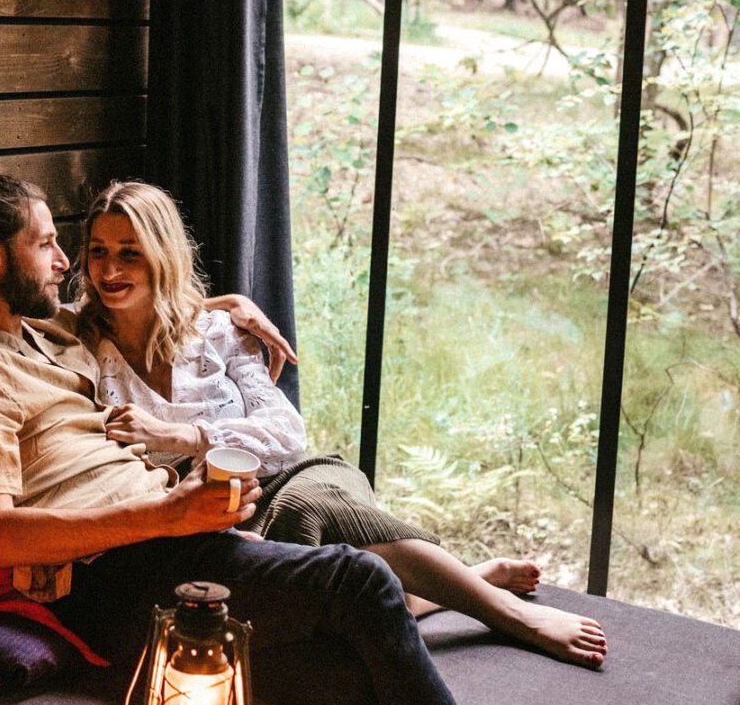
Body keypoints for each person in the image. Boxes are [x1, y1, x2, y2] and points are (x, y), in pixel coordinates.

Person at [0, 173, 655, 705]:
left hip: (173, 538)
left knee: (343, 689)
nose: (64, 263)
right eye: (49, 244)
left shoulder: (42, 335)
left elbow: (137, 305)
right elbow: (4, 534)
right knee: (359, 584)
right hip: (118, 575)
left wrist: (223, 310)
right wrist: (165, 512)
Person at [67, 179, 609, 671]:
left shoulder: (218, 332)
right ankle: (457, 584)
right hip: (208, 512)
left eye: (130, 254)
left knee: (311, 509)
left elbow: (286, 433)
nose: (110, 271)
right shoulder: (77, 344)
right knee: (334, 587)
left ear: (163, 257)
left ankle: (510, 615)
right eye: (98, 253)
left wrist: (186, 436)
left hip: (291, 475)